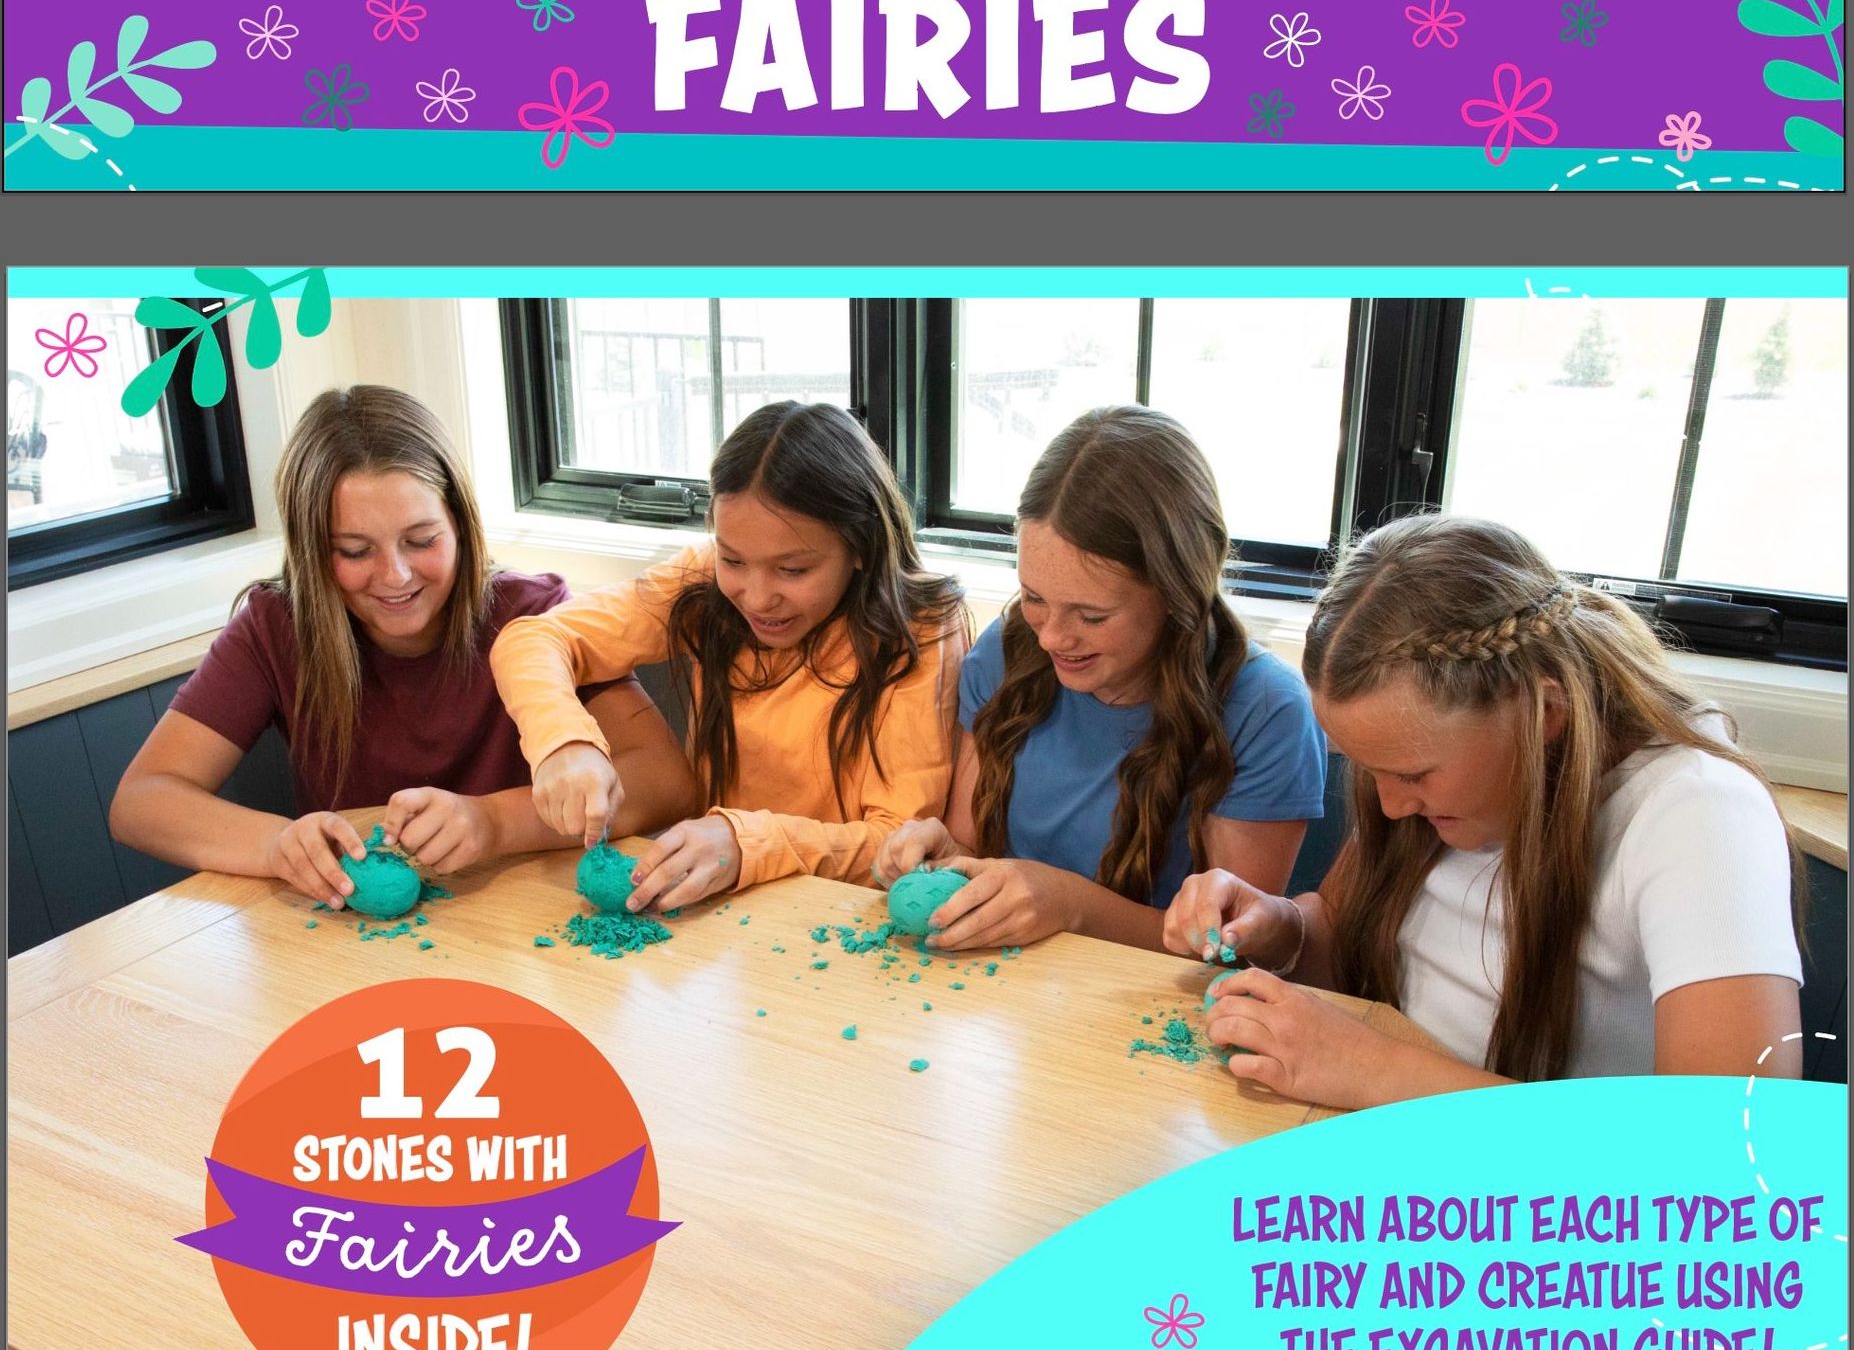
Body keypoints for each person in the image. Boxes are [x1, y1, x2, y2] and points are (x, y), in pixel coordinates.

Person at [1168, 515, 1806, 1106]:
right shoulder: (1436, 786)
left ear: (1543, 714)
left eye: (1413, 774)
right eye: (1371, 771)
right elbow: (1346, 931)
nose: (1389, 807)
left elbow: (1726, 1153)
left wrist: (1372, 1070)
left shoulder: (1698, 812)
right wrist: (1279, 927)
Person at [111, 386, 696, 908]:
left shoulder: (535, 615)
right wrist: (276, 845)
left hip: (525, 919)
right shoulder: (275, 626)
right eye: (354, 550)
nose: (394, 576)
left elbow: (665, 781)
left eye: (421, 540)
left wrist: (492, 822)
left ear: (460, 525)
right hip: (358, 936)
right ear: (312, 551)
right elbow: (142, 801)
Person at [490, 399, 970, 911]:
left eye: (793, 570)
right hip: (715, 911)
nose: (758, 598)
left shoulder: (918, 629)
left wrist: (746, 843)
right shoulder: (700, 582)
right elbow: (534, 639)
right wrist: (563, 741)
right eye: (733, 559)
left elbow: (896, 843)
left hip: (843, 915)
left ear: (861, 547)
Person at [875, 406, 1323, 951]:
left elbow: (1228, 947)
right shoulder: (1005, 653)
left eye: (1091, 616)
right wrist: (943, 856)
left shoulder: (1265, 710)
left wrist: (1070, 905)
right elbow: (970, 843)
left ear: (1177, 594)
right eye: (1034, 598)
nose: (1051, 639)